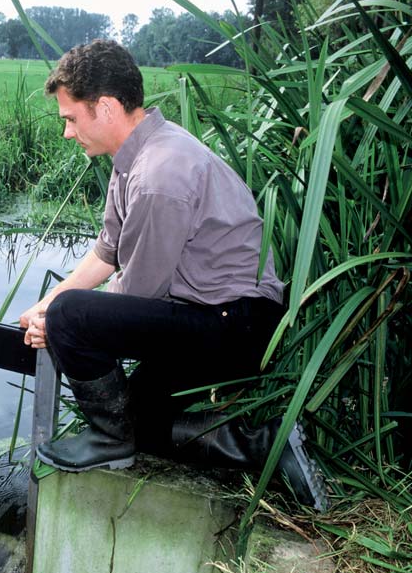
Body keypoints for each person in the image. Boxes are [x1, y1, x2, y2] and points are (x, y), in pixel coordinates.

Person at [19, 40, 327, 510]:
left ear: (104, 107)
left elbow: (137, 291)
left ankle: (108, 441)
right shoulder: (135, 159)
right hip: (209, 315)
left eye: (70, 118)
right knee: (137, 418)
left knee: (72, 319)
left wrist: (59, 321)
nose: (67, 132)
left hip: (237, 323)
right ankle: (268, 445)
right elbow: (106, 254)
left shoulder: (159, 173)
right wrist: (43, 308)